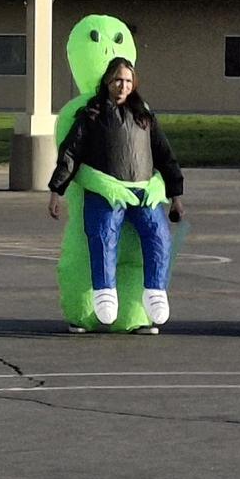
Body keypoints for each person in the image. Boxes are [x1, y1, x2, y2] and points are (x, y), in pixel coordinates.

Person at [47, 56, 185, 330]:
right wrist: (56, 190)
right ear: (108, 82)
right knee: (103, 234)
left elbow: (164, 154)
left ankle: (155, 292)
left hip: (142, 192)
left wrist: (175, 194)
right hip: (106, 193)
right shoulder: (92, 115)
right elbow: (71, 153)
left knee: (157, 235)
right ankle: (104, 292)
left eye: (128, 81)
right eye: (118, 80)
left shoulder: (144, 116)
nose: (123, 86)